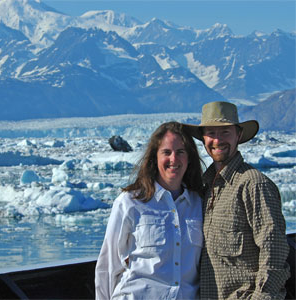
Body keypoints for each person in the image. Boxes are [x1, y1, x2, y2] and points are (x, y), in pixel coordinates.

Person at [183, 101, 290, 300]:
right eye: (211, 133)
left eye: (225, 132)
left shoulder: (253, 184)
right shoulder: (206, 188)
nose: (217, 140)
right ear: (203, 138)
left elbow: (274, 251)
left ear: (238, 135)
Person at [95, 121, 205, 300]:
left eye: (180, 152)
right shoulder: (130, 202)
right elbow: (108, 266)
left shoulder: (198, 204)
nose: (173, 159)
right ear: (155, 157)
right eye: (166, 152)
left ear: (189, 158)